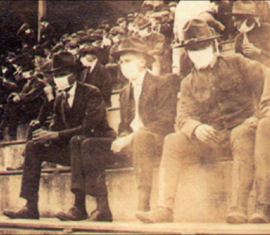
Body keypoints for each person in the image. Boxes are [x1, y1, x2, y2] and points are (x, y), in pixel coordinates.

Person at [135, 19, 268, 224]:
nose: (199, 52)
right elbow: (183, 117)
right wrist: (195, 128)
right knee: (173, 140)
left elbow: (266, 81)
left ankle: (239, 208)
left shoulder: (237, 62)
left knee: (242, 133)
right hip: (212, 138)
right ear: (187, 52)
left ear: (214, 45)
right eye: (193, 49)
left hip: (243, 131)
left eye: (203, 46)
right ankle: (164, 208)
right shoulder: (188, 82)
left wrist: (257, 117)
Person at [2, 52, 115, 220]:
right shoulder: (59, 98)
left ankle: (79, 206)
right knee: (33, 146)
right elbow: (56, 126)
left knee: (79, 141)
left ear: (75, 75)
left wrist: (54, 136)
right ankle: (30, 206)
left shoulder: (91, 92)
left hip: (96, 146)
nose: (57, 79)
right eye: (55, 75)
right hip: (74, 148)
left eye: (62, 75)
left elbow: (90, 128)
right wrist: (44, 137)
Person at [110, 37, 179, 213]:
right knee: (89, 145)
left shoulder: (162, 83)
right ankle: (98, 207)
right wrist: (124, 137)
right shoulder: (125, 92)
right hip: (134, 141)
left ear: (142, 61)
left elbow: (165, 121)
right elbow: (124, 125)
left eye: (127, 61)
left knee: (141, 137)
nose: (122, 65)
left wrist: (130, 138)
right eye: (120, 62)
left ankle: (143, 202)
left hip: (157, 139)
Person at [0, 70, 46, 141]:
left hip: (38, 108)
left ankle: (3, 129)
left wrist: (19, 96)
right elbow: (23, 93)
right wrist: (16, 95)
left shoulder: (39, 83)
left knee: (13, 106)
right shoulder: (28, 82)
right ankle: (6, 130)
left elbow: (30, 96)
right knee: (12, 104)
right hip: (30, 106)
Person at [231, 1, 270, 67]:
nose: (235, 25)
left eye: (237, 20)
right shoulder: (239, 39)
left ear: (248, 20)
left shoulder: (266, 30)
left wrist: (258, 51)